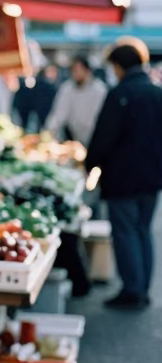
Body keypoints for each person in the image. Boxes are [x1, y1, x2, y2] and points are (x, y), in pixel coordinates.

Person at [85, 42, 162, 309]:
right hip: (152, 178)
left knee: (126, 232)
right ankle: (142, 288)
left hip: (122, 178)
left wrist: (91, 165)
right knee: (142, 231)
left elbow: (103, 137)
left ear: (118, 66)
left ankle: (132, 291)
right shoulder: (156, 93)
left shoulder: (120, 94)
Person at [44, 55, 108, 147]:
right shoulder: (67, 89)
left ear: (87, 71)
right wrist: (47, 134)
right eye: (73, 71)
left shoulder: (100, 90)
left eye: (79, 70)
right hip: (76, 139)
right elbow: (59, 115)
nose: (76, 74)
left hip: (97, 138)